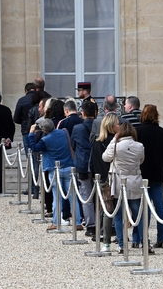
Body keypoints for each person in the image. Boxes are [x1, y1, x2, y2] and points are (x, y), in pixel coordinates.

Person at [102, 120, 150, 255]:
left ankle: (122, 245)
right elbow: (141, 160)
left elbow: (105, 157)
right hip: (135, 180)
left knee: (118, 216)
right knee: (138, 215)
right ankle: (145, 242)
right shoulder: (139, 146)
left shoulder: (117, 145)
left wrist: (114, 140)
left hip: (119, 181)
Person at [28, 118, 82, 231]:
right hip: (68, 166)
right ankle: (77, 222)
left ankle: (56, 222)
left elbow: (34, 148)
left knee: (57, 198)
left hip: (54, 169)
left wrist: (31, 134)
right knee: (73, 197)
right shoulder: (63, 133)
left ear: (44, 130)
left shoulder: (46, 140)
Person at [135, 104, 163, 248]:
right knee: (159, 204)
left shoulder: (137, 131)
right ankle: (162, 237)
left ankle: (140, 238)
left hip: (142, 172)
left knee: (143, 206)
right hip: (157, 171)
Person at [90, 112, 117, 251]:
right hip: (113, 178)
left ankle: (103, 236)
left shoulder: (96, 142)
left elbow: (92, 163)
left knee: (105, 210)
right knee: (115, 209)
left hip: (101, 178)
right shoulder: (116, 141)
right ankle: (116, 236)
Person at [71, 100, 98, 237]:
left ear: (82, 113)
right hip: (98, 164)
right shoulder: (100, 126)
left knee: (86, 196)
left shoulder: (77, 128)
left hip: (83, 164)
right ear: (95, 112)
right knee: (100, 197)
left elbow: (73, 145)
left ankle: (91, 225)